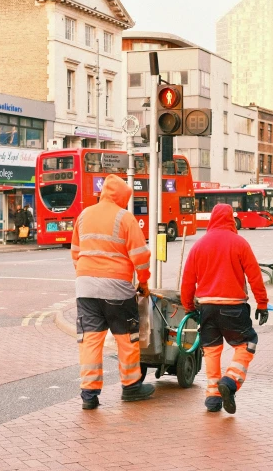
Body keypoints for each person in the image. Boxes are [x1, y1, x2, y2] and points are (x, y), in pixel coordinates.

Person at [71, 174, 154, 410]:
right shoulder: (125, 218)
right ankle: (131, 387)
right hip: (116, 288)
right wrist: (144, 283)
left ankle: (89, 394)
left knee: (90, 340)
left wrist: (87, 275)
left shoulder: (84, 215)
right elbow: (141, 256)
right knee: (126, 338)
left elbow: (75, 252)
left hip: (85, 287)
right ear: (122, 198)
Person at [180, 203, 269, 414]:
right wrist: (262, 304)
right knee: (247, 343)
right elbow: (254, 276)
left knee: (211, 350)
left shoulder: (199, 246)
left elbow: (187, 281)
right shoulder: (239, 243)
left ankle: (213, 397)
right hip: (234, 307)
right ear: (231, 219)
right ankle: (230, 381)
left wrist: (188, 307)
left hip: (207, 307)